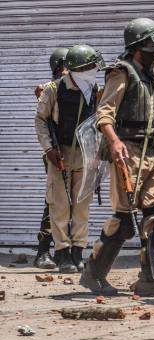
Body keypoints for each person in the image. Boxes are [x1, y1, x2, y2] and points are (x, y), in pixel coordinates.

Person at [80, 18, 154, 297]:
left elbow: (152, 114)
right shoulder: (120, 72)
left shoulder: (151, 76)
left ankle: (149, 280)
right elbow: (105, 113)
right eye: (153, 45)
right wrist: (113, 141)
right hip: (128, 152)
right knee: (124, 221)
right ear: (140, 47)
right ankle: (93, 274)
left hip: (151, 152)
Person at [35, 44, 105, 274]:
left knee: (82, 206)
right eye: (89, 66)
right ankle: (62, 253)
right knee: (60, 207)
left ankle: (78, 252)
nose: (93, 70)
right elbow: (41, 120)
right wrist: (48, 149)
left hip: (86, 156)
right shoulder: (54, 89)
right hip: (60, 154)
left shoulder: (96, 89)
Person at [33, 47, 69, 269]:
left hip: (76, 153)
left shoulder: (78, 87)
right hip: (55, 154)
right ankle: (43, 252)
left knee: (73, 203)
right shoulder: (52, 88)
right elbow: (40, 91)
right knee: (54, 202)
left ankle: (66, 253)